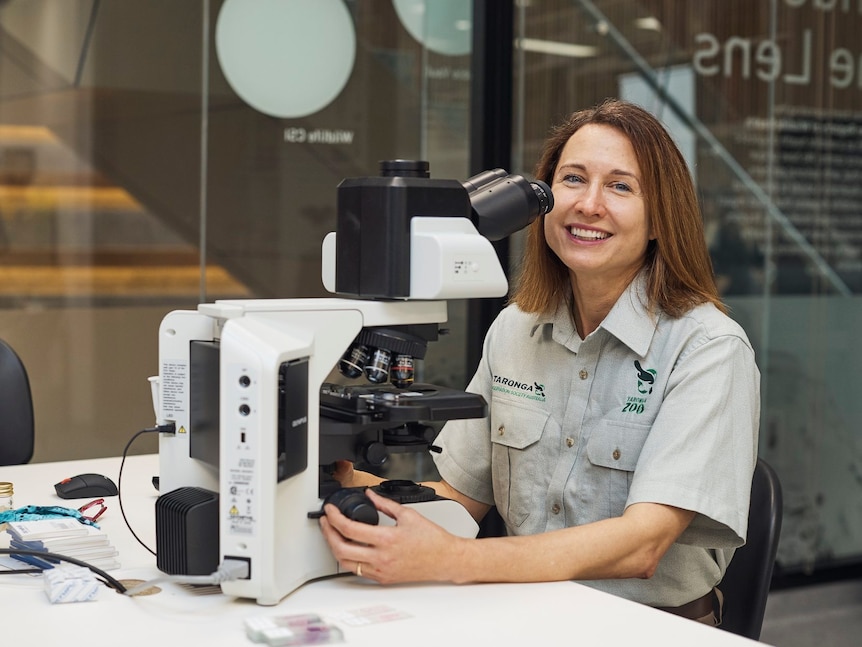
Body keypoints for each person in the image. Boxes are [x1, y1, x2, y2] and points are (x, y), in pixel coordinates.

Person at [319, 98, 760, 626]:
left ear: (660, 218)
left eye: (620, 186)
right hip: (520, 612)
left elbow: (641, 546)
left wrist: (456, 560)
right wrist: (346, 484)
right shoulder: (514, 329)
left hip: (648, 626)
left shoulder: (708, 349)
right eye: (573, 179)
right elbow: (462, 498)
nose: (589, 204)